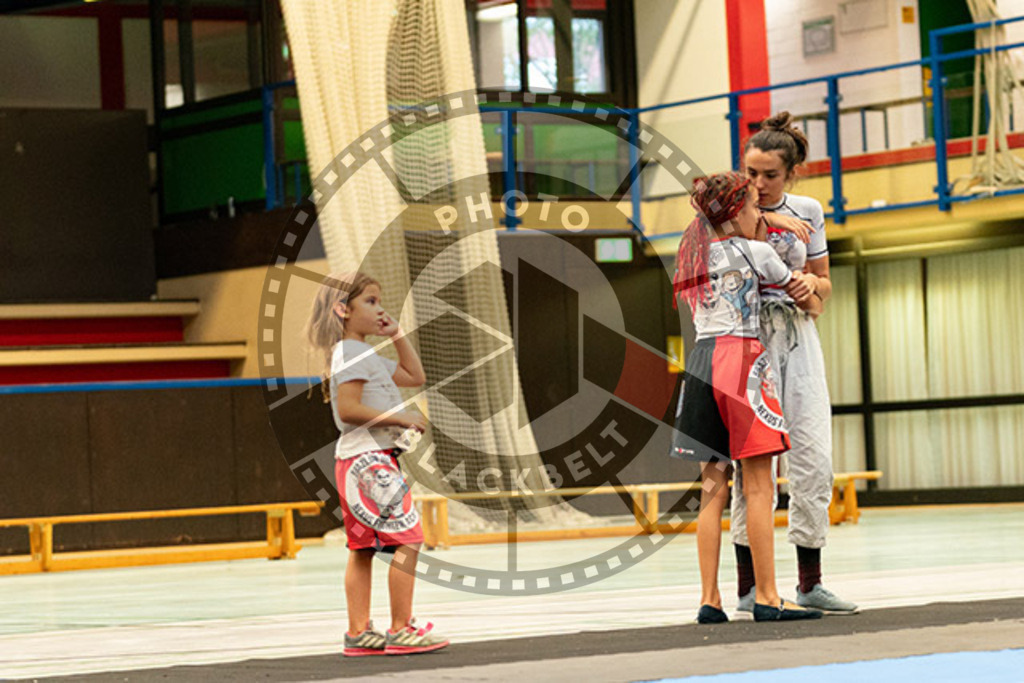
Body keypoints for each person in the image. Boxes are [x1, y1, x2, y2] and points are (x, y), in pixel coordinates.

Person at [672, 171, 823, 623]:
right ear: (737, 211)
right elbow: (804, 295)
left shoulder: (691, 254)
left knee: (712, 490)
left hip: (701, 362)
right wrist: (809, 287)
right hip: (741, 361)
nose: (761, 214)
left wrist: (759, 218)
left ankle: (709, 598)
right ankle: (768, 596)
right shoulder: (756, 251)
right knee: (758, 486)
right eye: (755, 206)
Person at [730, 111, 860, 617]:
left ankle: (811, 581)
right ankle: (749, 585)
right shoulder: (729, 207)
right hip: (748, 339)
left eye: (770, 175)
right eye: (752, 173)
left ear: (791, 173)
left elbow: (824, 287)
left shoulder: (808, 210)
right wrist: (765, 222)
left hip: (800, 338)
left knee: (813, 456)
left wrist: (810, 286)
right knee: (753, 466)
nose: (759, 184)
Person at [307, 271, 450, 656]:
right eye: (370, 301)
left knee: (363, 548)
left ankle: (359, 632)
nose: (379, 309)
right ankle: (401, 628)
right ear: (343, 310)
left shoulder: (359, 353)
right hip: (369, 461)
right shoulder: (352, 353)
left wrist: (397, 334)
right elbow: (348, 410)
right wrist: (401, 418)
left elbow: (413, 376)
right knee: (409, 539)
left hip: (357, 462)